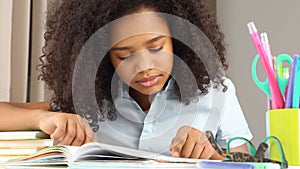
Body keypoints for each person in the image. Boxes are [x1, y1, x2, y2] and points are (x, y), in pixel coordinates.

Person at [0, 0, 252, 160]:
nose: (144, 67)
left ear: (178, 39)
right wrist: (43, 117)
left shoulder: (217, 92)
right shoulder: (92, 102)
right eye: (124, 55)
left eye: (156, 48)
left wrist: (213, 155)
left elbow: (248, 163)